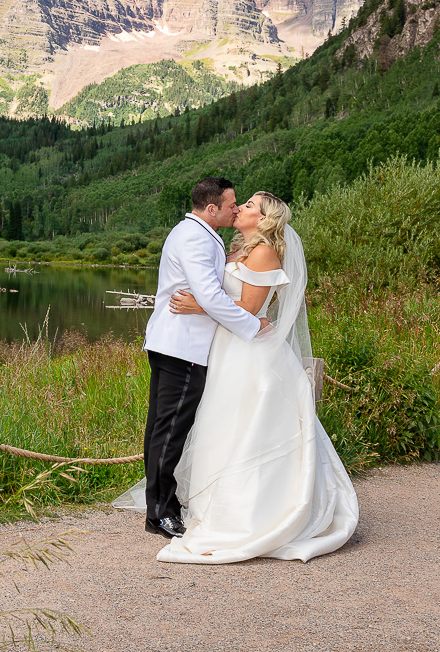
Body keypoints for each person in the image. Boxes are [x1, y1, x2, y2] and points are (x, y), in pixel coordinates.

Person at [156, 191, 359, 563]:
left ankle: (252, 509)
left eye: (249, 206)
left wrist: (197, 305)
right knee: (222, 424)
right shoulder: (236, 249)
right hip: (227, 347)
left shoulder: (264, 252)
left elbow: (250, 308)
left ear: (264, 219)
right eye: (242, 203)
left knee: (248, 426)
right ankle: (213, 504)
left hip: (251, 352)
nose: (240, 208)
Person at [137, 177, 270, 539]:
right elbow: (209, 296)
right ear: (211, 208)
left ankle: (160, 504)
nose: (235, 209)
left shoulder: (195, 232)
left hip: (175, 343)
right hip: (183, 347)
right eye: (231, 205)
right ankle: (161, 512)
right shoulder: (195, 236)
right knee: (170, 429)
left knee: (161, 427)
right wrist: (251, 324)